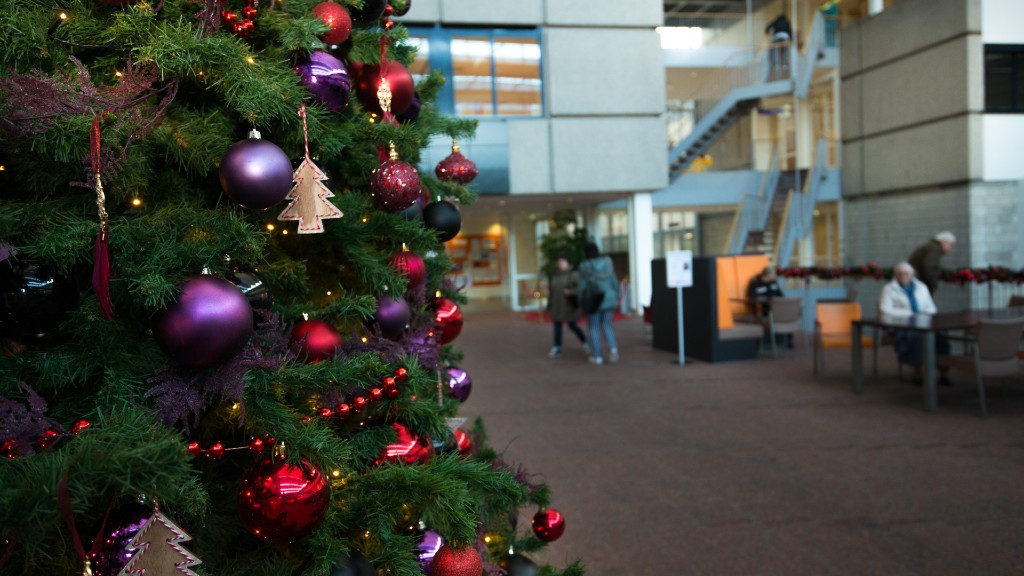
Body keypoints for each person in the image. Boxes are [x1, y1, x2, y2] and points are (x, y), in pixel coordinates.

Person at [878, 261, 951, 385]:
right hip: (901, 323)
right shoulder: (889, 289)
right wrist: (909, 313)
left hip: (923, 321)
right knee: (916, 337)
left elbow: (932, 308)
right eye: (900, 274)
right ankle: (919, 371)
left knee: (940, 336)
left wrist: (920, 314)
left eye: (906, 273)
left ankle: (943, 370)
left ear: (912, 275)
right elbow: (885, 309)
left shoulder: (921, 287)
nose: (903, 276)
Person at [578, 243, 620, 365]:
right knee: (607, 325)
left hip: (594, 301)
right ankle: (613, 349)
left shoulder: (585, 267)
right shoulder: (608, 264)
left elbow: (582, 286)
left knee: (593, 328)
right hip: (609, 299)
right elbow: (614, 282)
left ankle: (597, 357)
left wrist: (581, 302)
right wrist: (615, 296)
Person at [546, 255, 587, 359]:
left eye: (563, 262)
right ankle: (557, 347)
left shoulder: (573, 274)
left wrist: (571, 292)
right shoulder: (555, 275)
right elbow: (552, 291)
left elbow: (581, 288)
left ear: (567, 263)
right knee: (557, 326)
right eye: (559, 262)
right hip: (558, 306)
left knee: (572, 326)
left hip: (569, 305)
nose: (561, 264)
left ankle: (585, 342)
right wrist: (549, 305)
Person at [747, 265, 791, 348]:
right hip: (764, 309)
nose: (775, 276)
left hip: (778, 308)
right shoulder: (756, 282)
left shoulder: (774, 283)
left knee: (788, 312)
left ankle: (788, 339)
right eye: (774, 274)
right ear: (767, 275)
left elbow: (781, 295)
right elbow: (751, 297)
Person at [908, 231, 956, 296]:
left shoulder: (930, 246)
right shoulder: (935, 249)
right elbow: (929, 267)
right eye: (951, 245)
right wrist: (933, 284)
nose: (951, 248)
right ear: (943, 242)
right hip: (920, 282)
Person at [765, 13, 792, 81]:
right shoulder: (787, 22)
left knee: (773, 48)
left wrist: (767, 32)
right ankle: (785, 63)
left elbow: (768, 27)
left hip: (777, 36)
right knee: (785, 49)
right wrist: (791, 39)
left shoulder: (776, 21)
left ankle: (774, 61)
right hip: (785, 37)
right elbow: (790, 30)